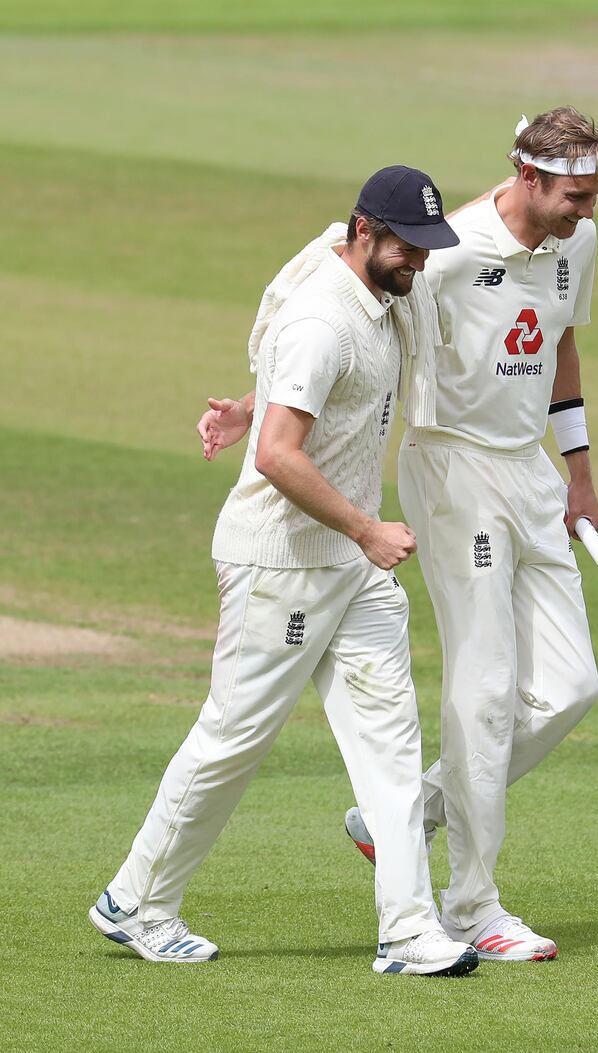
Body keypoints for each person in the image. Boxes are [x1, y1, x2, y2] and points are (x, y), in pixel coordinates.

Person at [198, 106, 598, 964]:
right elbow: (342, 296)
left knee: (570, 686)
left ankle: (411, 812)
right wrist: (251, 405)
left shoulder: (579, 244)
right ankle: (470, 904)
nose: (588, 212)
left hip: (531, 470)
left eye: (597, 195)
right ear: (528, 178)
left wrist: (578, 470)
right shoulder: (447, 246)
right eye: (575, 196)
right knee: (486, 685)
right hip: (455, 471)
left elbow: (562, 346)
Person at [89, 166, 480, 978]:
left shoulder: (386, 290)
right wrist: (368, 527)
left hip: (349, 564)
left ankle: (408, 929)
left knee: (390, 745)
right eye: (408, 246)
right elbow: (276, 455)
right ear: (364, 231)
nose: (420, 262)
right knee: (235, 735)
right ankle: (136, 900)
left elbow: (300, 400)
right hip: (282, 564)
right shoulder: (319, 316)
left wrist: (249, 399)